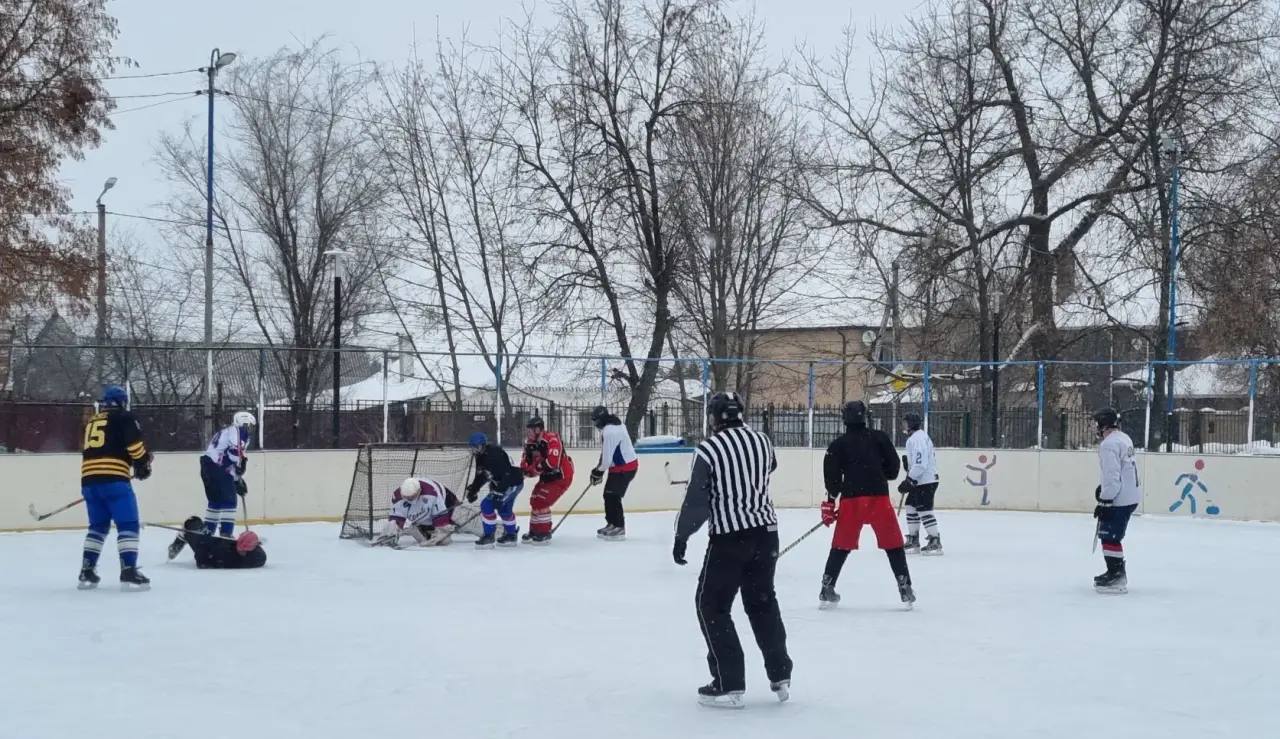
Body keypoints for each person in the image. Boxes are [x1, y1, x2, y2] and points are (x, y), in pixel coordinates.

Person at [673, 392, 792, 708]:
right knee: (762, 602)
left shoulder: (709, 450)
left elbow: (697, 501)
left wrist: (682, 535)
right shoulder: (762, 441)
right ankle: (780, 674)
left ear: (713, 417)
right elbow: (771, 466)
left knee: (711, 605)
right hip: (766, 533)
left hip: (730, 537)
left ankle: (729, 683)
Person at [819, 401, 915, 609]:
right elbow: (893, 467)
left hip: (851, 499)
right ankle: (904, 585)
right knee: (893, 544)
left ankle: (827, 585)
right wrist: (883, 473)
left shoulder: (838, 444)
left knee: (841, 545)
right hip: (878, 497)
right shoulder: (879, 437)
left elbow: (832, 477)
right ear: (865, 417)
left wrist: (830, 501)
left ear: (845, 418)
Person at [78, 384, 153, 591]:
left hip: (89, 481)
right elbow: (134, 446)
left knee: (97, 528)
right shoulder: (124, 417)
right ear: (122, 402)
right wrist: (143, 463)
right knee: (128, 524)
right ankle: (128, 569)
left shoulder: (93, 420)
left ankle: (87, 570)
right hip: (114, 480)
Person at [1092, 408, 1141, 594]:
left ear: (1103, 424)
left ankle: (1117, 576)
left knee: (1109, 535)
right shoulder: (1123, 438)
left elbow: (1112, 476)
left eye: (1096, 423)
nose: (1094, 427)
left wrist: (1106, 499)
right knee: (1111, 535)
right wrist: (1103, 489)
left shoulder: (1108, 445)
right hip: (1130, 494)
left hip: (1120, 497)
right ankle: (1114, 571)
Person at [370, 477, 483, 548]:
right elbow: (396, 519)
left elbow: (441, 518)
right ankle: (421, 529)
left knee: (468, 525)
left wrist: (441, 534)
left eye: (412, 497)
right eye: (406, 498)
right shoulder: (398, 497)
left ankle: (495, 532)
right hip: (425, 518)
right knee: (442, 543)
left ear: (419, 491)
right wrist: (390, 533)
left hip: (450, 507)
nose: (409, 500)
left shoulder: (431, 494)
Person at [198, 411, 256, 538]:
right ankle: (226, 534)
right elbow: (233, 454)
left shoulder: (227, 431)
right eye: (248, 425)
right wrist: (237, 473)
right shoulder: (237, 432)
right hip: (217, 468)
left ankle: (207, 532)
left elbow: (227, 458)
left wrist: (236, 479)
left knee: (216, 502)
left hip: (208, 467)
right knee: (229, 501)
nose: (249, 429)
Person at [520, 416, 574, 544]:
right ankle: (534, 530)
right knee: (534, 500)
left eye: (530, 430)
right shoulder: (530, 443)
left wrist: (534, 469)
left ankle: (544, 532)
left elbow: (552, 463)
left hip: (561, 476)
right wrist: (525, 471)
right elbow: (525, 464)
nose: (528, 433)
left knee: (542, 501)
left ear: (538, 429)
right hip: (547, 476)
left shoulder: (552, 439)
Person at [465, 432, 524, 548]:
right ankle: (510, 535)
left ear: (483, 445)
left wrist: (499, 492)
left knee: (490, 506)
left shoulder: (495, 453)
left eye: (476, 447)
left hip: (512, 484)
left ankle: (490, 536)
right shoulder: (480, 456)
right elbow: (481, 475)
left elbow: (507, 474)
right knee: (500, 509)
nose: (474, 450)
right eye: (472, 447)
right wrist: (473, 490)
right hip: (502, 485)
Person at [588, 406, 637, 540]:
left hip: (626, 467)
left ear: (601, 420)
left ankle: (619, 527)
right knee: (608, 495)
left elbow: (607, 460)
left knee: (613, 495)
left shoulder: (610, 432)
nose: (595, 424)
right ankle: (612, 523)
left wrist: (598, 472)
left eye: (596, 421)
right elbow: (606, 455)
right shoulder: (614, 424)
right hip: (618, 467)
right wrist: (599, 470)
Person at [900, 412, 942, 555]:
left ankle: (935, 541)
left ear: (912, 424)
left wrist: (909, 479)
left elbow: (921, 463)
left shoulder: (917, 438)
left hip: (925, 480)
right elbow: (917, 462)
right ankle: (913, 539)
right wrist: (908, 465)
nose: (904, 425)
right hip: (920, 480)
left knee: (924, 509)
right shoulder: (916, 437)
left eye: (906, 422)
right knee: (911, 506)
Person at [172, 516, 267, 569]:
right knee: (195, 526)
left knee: (195, 528)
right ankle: (188, 533)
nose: (242, 551)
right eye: (240, 547)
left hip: (208, 549)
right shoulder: (223, 550)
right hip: (208, 546)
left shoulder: (255, 557)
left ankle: (189, 532)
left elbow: (261, 557)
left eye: (244, 550)